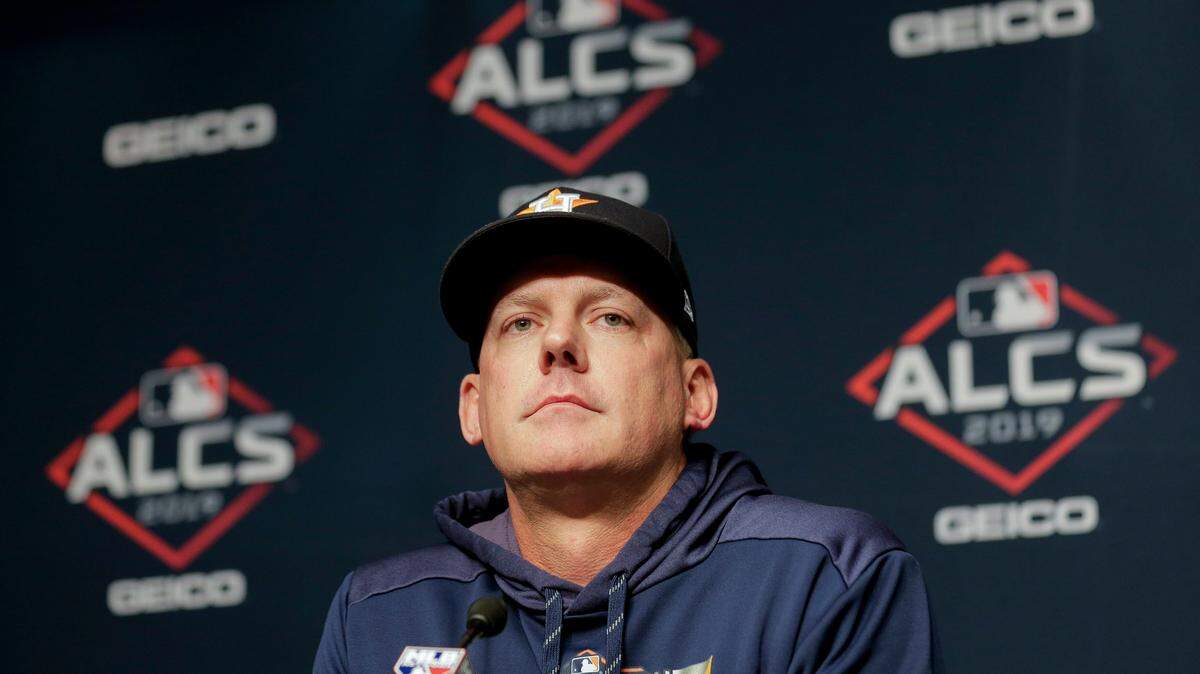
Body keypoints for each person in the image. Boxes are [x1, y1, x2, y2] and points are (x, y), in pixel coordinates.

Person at [313, 187, 941, 673]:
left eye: (610, 317)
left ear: (693, 393)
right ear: (473, 407)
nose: (559, 343)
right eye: (521, 324)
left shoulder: (826, 574)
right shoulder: (375, 614)